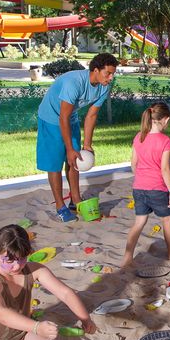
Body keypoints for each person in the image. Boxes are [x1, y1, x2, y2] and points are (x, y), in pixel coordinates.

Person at [36, 53, 118, 221]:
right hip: (51, 118)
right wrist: (69, 148)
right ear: (96, 70)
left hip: (70, 118)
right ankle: (60, 206)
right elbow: (62, 117)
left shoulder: (104, 87)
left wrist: (87, 145)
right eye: (108, 73)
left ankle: (76, 200)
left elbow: (91, 116)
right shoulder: (73, 83)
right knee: (55, 164)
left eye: (113, 74)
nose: (111, 77)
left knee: (75, 160)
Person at [122, 102, 170, 268]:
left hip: (139, 188)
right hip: (157, 189)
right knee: (167, 220)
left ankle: (127, 257)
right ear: (165, 120)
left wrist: (141, 177)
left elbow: (133, 164)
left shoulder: (139, 136)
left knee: (139, 222)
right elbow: (165, 169)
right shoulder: (166, 141)